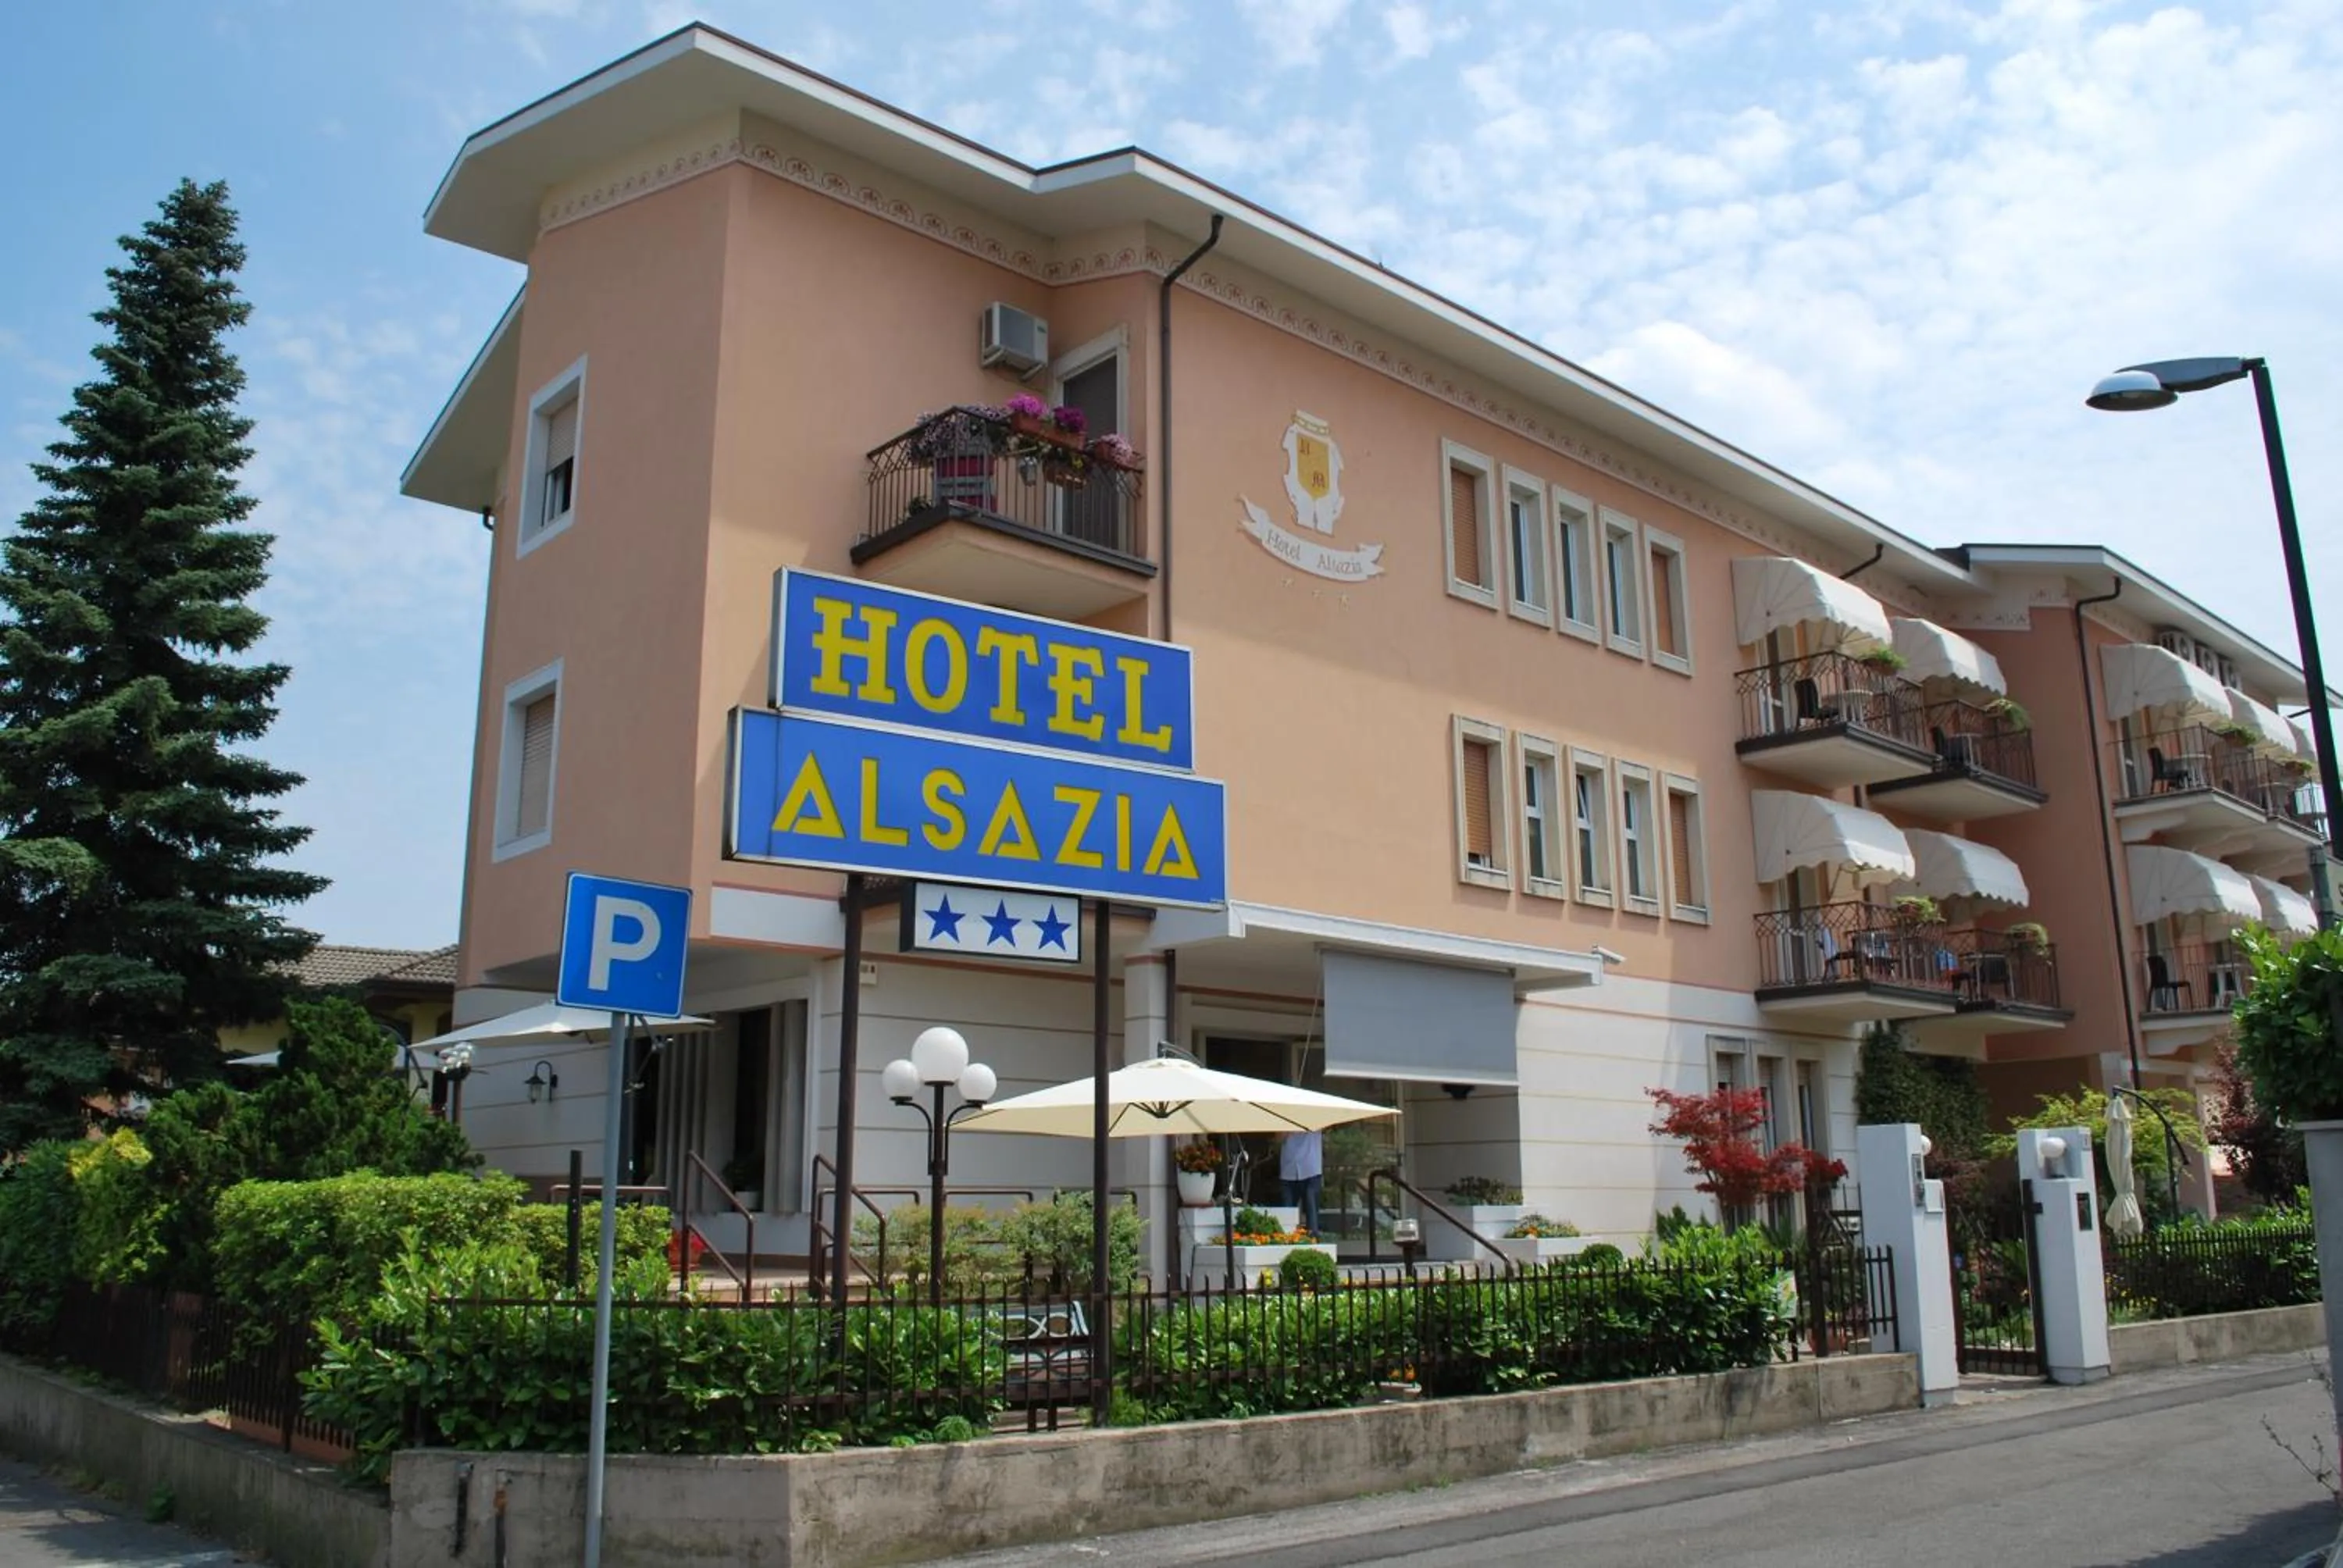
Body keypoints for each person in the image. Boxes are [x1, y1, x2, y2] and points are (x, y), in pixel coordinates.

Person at [1280, 1127, 1323, 1237]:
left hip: (1311, 1168)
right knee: (1287, 1218)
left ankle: (1313, 1244)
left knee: (1311, 1213)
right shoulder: (1284, 1115)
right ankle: (1288, 1243)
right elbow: (1279, 1138)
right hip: (1289, 1169)